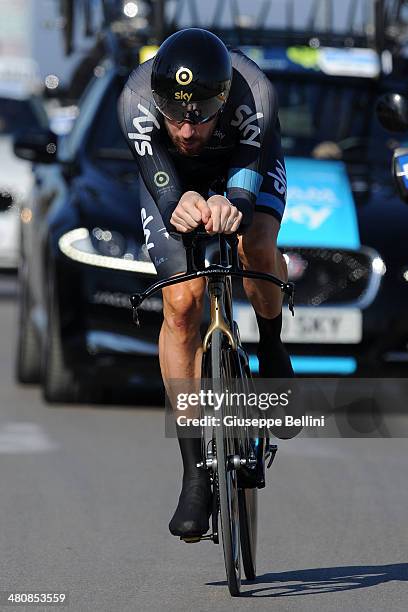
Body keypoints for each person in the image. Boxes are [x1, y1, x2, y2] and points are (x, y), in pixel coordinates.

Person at [118, 28, 294, 538]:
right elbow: (162, 186)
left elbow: (247, 178)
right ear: (158, 100)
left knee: (255, 245)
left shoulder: (255, 91)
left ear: (221, 98)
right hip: (171, 176)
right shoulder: (133, 98)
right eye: (175, 116)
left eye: (200, 116)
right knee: (181, 303)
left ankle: (273, 346)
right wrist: (178, 203)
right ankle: (194, 471)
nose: (189, 130)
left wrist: (234, 203)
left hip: (245, 159)